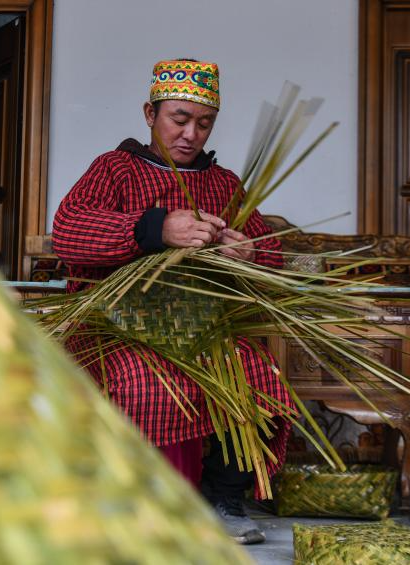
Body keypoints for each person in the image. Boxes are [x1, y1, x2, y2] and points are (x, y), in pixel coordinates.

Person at [51, 58, 290, 545]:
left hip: (200, 329)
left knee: (257, 375)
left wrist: (247, 250)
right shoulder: (114, 168)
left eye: (203, 123)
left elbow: (272, 254)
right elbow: (68, 231)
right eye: (178, 119)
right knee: (147, 382)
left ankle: (222, 498)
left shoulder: (223, 183)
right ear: (149, 113)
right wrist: (155, 228)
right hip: (116, 329)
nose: (190, 134)